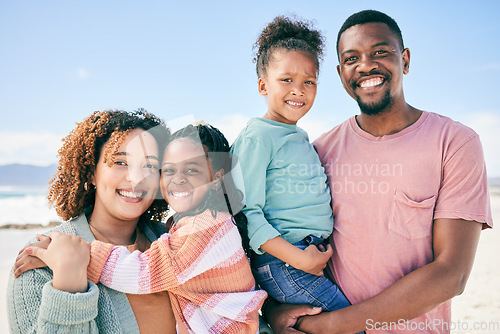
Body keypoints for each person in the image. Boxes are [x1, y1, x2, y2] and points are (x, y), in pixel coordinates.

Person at [266, 10, 493, 334]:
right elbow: (286, 239)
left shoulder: (455, 143)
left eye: (380, 52)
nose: (366, 65)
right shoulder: (317, 152)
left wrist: (333, 326)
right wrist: (274, 312)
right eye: (351, 58)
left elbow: (450, 274)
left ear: (406, 59)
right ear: (341, 72)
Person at [25, 123, 268, 333]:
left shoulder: (204, 226)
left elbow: (143, 271)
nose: (178, 178)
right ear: (91, 172)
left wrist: (76, 257)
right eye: (169, 169)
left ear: (216, 178)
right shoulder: (187, 226)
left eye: (192, 169)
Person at [8, 109, 176, 333]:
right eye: (121, 162)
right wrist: (69, 280)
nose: (136, 178)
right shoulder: (40, 260)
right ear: (91, 172)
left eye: (149, 166)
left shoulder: (176, 241)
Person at [230, 15, 351, 314]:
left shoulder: (298, 136)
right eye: (286, 80)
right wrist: (299, 259)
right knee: (351, 325)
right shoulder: (258, 136)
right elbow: (247, 212)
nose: (298, 89)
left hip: (303, 256)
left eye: (308, 81)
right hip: (286, 262)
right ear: (263, 85)